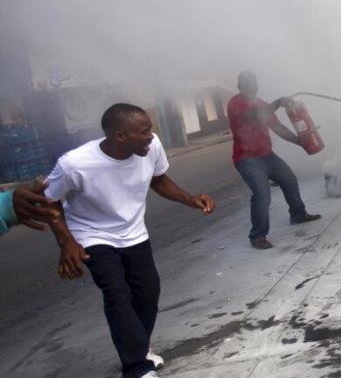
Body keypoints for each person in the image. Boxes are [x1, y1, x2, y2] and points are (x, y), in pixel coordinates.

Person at [44, 103, 216, 378]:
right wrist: (66, 243)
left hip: (134, 232)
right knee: (117, 295)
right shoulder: (75, 164)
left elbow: (158, 180)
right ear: (119, 136)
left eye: (151, 129)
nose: (151, 135)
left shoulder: (151, 146)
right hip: (92, 235)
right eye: (144, 131)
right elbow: (48, 202)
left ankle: (138, 347)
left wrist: (190, 198)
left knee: (148, 293)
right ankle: (136, 367)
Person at [227, 71, 320, 250]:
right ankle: (257, 236)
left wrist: (300, 142)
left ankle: (298, 214)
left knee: (289, 179)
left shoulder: (261, 103)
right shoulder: (235, 103)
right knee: (262, 194)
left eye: (254, 82)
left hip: (266, 155)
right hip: (247, 159)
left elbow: (279, 129)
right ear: (240, 86)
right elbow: (253, 116)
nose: (252, 86)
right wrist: (279, 102)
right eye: (247, 83)